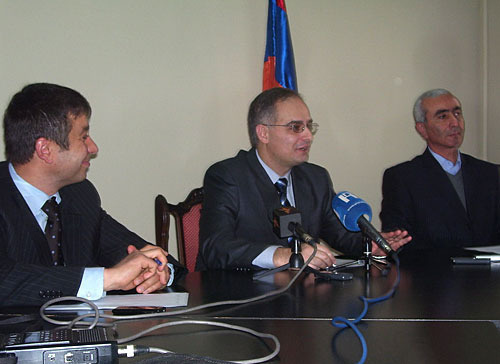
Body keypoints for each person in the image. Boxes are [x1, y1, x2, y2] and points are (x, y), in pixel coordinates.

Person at [0, 83, 184, 307]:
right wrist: (108, 278)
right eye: (84, 137)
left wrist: (158, 269)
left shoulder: (79, 195)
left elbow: (137, 252)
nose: (94, 147)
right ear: (45, 150)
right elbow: (7, 280)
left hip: (81, 335)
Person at [196, 87, 410, 271]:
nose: (308, 136)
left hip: (302, 296)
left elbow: (339, 235)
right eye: (296, 127)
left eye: (309, 126)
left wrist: (370, 244)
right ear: (263, 133)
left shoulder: (316, 178)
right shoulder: (227, 176)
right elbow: (215, 247)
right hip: (241, 299)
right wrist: (283, 255)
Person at [380, 88, 500, 254]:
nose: (455, 123)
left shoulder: (490, 173)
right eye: (443, 116)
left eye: (457, 114)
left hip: (491, 275)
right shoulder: (403, 178)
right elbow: (400, 241)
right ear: (422, 129)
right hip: (433, 275)